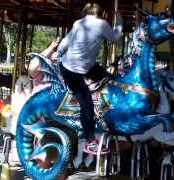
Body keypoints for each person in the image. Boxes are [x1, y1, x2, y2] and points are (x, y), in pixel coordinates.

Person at [53, 2, 123, 155]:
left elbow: (66, 41)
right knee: (87, 104)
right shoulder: (102, 24)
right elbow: (116, 38)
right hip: (74, 71)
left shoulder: (79, 23)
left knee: (109, 79)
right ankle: (90, 142)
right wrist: (119, 20)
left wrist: (58, 53)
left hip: (75, 65)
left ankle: (103, 110)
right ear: (102, 13)